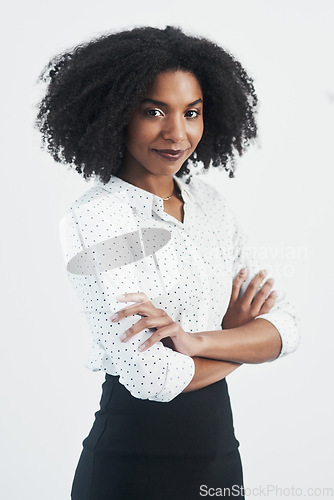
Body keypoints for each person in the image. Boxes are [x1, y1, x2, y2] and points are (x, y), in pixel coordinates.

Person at [36, 26, 299, 500]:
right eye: (153, 111)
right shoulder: (95, 220)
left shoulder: (211, 205)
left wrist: (196, 340)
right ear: (116, 114)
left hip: (220, 466)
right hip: (131, 471)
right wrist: (240, 342)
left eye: (191, 112)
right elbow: (154, 378)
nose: (177, 133)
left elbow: (288, 328)